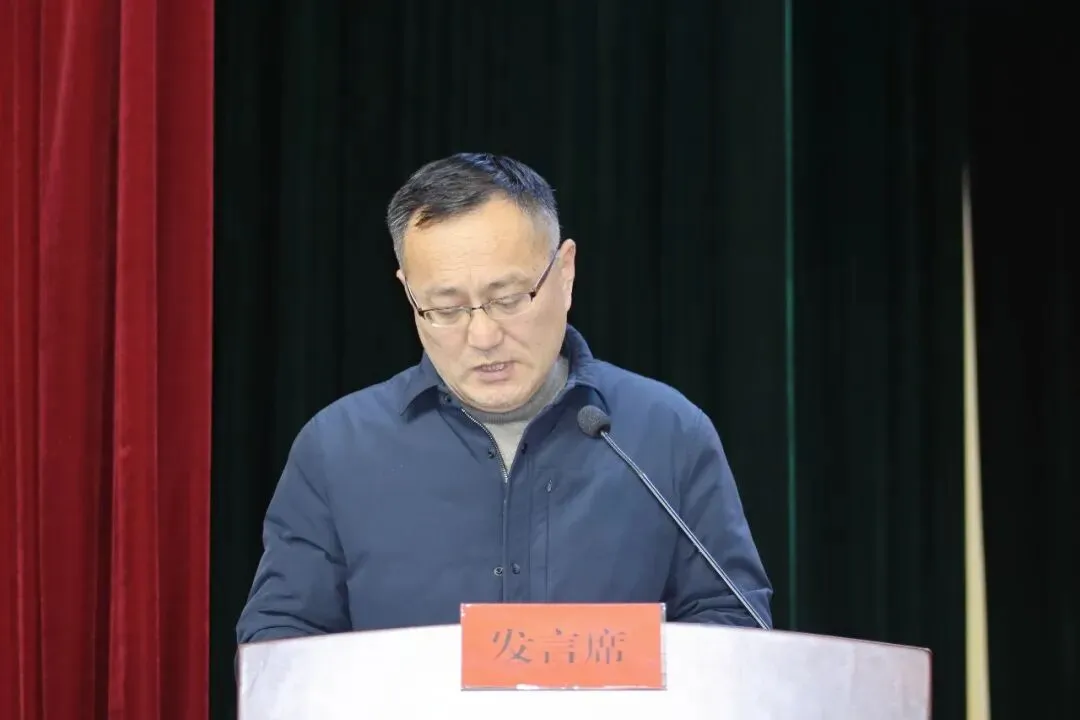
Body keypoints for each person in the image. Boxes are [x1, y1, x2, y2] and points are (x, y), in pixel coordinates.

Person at [236, 153, 773, 644]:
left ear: (565, 273)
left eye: (510, 298)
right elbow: (280, 645)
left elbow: (734, 625)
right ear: (407, 293)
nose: (483, 336)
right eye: (445, 308)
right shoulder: (338, 449)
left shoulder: (666, 432)